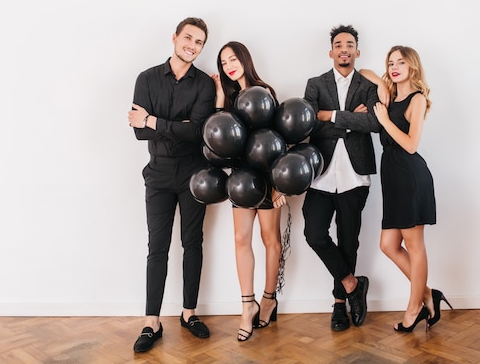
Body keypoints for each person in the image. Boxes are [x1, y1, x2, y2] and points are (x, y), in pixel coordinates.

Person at [128, 17, 216, 352]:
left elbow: (197, 131)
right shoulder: (147, 78)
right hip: (159, 175)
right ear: (175, 38)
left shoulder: (205, 85)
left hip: (195, 175)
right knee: (157, 248)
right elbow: (138, 132)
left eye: (199, 42)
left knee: (193, 244)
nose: (192, 46)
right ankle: (152, 321)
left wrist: (153, 120)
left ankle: (189, 313)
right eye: (188, 38)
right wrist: (173, 125)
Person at [361, 45, 451, 333]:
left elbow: (412, 145)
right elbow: (364, 71)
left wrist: (385, 120)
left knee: (414, 247)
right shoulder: (388, 94)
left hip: (410, 177)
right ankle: (426, 294)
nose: (394, 66)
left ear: (412, 66)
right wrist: (380, 83)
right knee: (388, 245)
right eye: (390, 62)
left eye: (401, 62)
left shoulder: (417, 100)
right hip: (393, 177)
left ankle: (414, 309)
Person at [302, 24, 387, 332]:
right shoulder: (315, 84)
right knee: (314, 233)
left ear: (357, 51)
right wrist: (352, 120)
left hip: (355, 175)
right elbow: (307, 124)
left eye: (349, 44)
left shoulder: (367, 85)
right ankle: (353, 285)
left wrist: (332, 115)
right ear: (331, 51)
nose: (344, 48)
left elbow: (376, 123)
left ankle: (339, 305)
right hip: (321, 174)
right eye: (339, 44)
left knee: (348, 239)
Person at [211, 41, 286, 342]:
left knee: (271, 240)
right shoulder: (228, 98)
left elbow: (279, 139)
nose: (229, 65)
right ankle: (247, 306)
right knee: (241, 239)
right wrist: (219, 96)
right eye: (223, 61)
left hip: (268, 177)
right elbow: (216, 134)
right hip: (241, 180)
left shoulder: (264, 92)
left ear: (244, 59)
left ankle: (269, 299)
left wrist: (279, 184)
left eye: (233, 58)